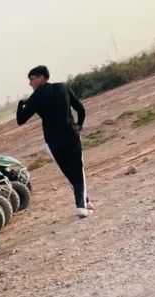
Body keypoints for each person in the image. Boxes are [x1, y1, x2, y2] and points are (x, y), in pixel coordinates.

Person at [17, 65, 93, 218]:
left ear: (41, 78)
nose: (30, 83)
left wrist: (21, 104)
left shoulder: (36, 96)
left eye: (32, 79)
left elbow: (20, 120)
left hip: (53, 141)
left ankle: (83, 202)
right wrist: (79, 125)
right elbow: (81, 109)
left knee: (69, 172)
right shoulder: (63, 87)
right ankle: (82, 204)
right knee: (78, 169)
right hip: (71, 134)